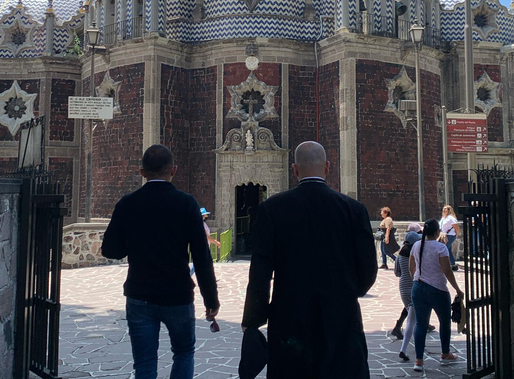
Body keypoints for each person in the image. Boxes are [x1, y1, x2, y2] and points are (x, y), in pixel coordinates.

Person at [242, 141, 378, 379]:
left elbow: (260, 272)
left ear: (294, 170)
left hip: (289, 318)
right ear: (327, 167)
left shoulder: (272, 209)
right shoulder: (354, 209)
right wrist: (345, 293)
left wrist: (253, 319)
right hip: (341, 318)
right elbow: (368, 268)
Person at [102, 145, 220, 379]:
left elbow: (110, 249)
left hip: (140, 294)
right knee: (184, 353)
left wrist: (135, 244)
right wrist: (211, 299)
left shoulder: (128, 204)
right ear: (174, 170)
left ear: (142, 172)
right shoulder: (186, 204)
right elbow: (202, 257)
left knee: (144, 362)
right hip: (177, 295)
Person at [409, 219, 464, 373]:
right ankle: (445, 353)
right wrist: (457, 289)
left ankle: (419, 360)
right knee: (444, 321)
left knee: (421, 324)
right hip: (438, 289)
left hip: (418, 288)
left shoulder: (416, 245)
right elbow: (447, 270)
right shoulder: (441, 248)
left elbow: (411, 267)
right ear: (437, 231)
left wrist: (417, 280)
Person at [393, 231, 421, 361]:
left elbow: (397, 272)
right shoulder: (416, 254)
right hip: (415, 286)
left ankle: (405, 348)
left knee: (412, 316)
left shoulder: (400, 255)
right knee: (414, 320)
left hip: (403, 287)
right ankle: (415, 348)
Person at [190, 208, 220, 277]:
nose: (206, 216)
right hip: (201, 247)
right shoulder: (200, 225)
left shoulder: (202, 224)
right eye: (205, 215)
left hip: (204, 246)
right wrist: (215, 242)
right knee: (197, 264)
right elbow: (206, 236)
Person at [439, 205, 461, 271]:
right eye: (443, 209)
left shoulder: (450, 218)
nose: (444, 210)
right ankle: (452, 263)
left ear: (449, 210)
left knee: (444, 248)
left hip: (450, 235)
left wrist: (456, 234)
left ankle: (448, 263)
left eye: (446, 209)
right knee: (448, 249)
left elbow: (456, 227)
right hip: (444, 235)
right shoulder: (443, 218)